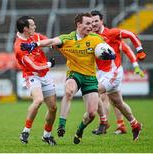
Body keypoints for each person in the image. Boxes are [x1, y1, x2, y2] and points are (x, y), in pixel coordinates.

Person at [20, 12, 115, 144]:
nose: (91, 26)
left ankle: (80, 130)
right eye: (87, 23)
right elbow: (53, 41)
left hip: (90, 77)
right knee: (69, 90)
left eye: (92, 23)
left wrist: (111, 55)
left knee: (92, 114)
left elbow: (110, 50)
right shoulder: (68, 39)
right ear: (78, 24)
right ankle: (61, 124)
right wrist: (34, 45)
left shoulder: (96, 39)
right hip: (74, 74)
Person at [91, 10, 145, 141]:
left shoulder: (112, 33)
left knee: (93, 91)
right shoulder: (91, 36)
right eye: (91, 22)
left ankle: (103, 122)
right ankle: (135, 124)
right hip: (101, 73)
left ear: (101, 21)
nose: (93, 24)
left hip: (113, 72)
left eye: (96, 21)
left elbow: (131, 34)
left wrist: (140, 51)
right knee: (118, 103)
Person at [14, 16, 57, 145]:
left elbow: (50, 41)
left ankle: (47, 135)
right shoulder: (19, 47)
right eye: (32, 25)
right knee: (38, 100)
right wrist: (49, 64)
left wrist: (57, 44)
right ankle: (26, 131)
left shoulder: (36, 36)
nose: (35, 27)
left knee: (53, 108)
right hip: (32, 75)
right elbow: (34, 67)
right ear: (26, 29)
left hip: (45, 75)